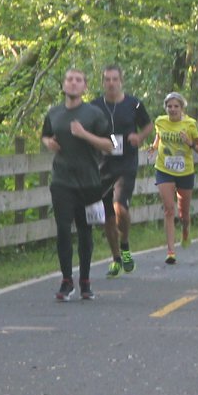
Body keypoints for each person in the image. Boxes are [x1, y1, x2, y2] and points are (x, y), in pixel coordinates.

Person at [41, 67, 114, 303]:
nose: (73, 83)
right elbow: (46, 134)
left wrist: (84, 135)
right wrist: (48, 142)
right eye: (69, 79)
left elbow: (111, 145)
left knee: (85, 231)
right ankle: (66, 280)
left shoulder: (94, 114)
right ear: (64, 85)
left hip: (89, 181)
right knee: (63, 229)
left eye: (78, 80)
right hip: (62, 180)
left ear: (85, 86)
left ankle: (85, 280)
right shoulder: (54, 113)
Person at [92, 65, 152, 278]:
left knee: (120, 207)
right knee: (108, 216)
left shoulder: (134, 103)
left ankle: (125, 243)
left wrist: (140, 137)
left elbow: (148, 125)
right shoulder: (95, 106)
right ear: (103, 82)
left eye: (114, 79)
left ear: (121, 81)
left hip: (126, 163)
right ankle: (117, 257)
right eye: (107, 79)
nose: (111, 83)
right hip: (103, 166)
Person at [150, 91, 198, 263]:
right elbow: (158, 138)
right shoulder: (160, 121)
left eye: (176, 106)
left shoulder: (190, 124)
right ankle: (171, 251)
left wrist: (190, 143)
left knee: (183, 214)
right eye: (169, 106)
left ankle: (186, 230)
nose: (172, 109)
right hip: (164, 169)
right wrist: (153, 147)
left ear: (182, 108)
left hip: (185, 172)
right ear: (165, 108)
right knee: (168, 209)